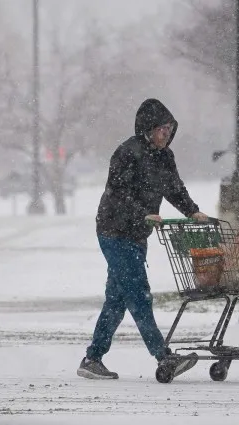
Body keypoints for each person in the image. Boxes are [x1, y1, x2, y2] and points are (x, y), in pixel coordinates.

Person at [78, 98, 209, 380]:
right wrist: (144, 213)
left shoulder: (165, 156)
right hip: (114, 231)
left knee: (117, 299)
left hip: (137, 234)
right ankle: (163, 357)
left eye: (170, 129)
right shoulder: (128, 152)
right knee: (139, 294)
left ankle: (92, 359)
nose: (167, 134)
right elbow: (117, 192)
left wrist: (192, 210)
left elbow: (174, 188)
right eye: (162, 129)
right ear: (148, 129)